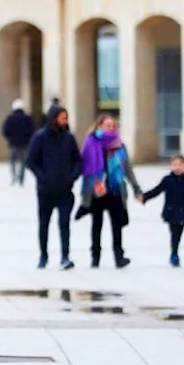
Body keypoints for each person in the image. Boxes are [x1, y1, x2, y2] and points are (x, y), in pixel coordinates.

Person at [75, 115, 143, 269]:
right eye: (108, 125)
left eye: (113, 125)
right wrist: (94, 183)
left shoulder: (119, 145)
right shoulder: (91, 143)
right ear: (99, 126)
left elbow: (128, 169)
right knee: (97, 224)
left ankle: (119, 257)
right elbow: (85, 167)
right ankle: (95, 257)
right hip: (97, 189)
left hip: (115, 188)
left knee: (117, 224)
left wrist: (136, 188)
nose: (111, 128)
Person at [26, 104, 82, 270]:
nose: (65, 121)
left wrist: (73, 176)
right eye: (62, 118)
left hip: (65, 191)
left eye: (66, 118)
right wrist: (43, 179)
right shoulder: (40, 137)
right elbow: (31, 161)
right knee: (44, 223)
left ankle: (65, 256)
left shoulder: (68, 138)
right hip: (46, 191)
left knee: (64, 223)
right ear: (54, 119)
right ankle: (43, 255)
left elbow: (78, 160)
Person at [141, 154, 184, 267]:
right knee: (174, 233)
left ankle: (174, 251)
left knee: (179, 233)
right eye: (174, 165)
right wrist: (144, 197)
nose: (177, 167)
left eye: (180, 165)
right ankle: (174, 254)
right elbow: (157, 190)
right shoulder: (167, 180)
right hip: (170, 211)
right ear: (171, 166)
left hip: (183, 211)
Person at [1, 99, 36, 186]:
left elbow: (5, 130)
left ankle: (13, 177)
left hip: (13, 144)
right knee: (23, 162)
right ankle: (21, 179)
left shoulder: (10, 118)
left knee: (12, 161)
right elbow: (32, 130)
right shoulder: (27, 118)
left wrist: (10, 138)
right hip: (24, 144)